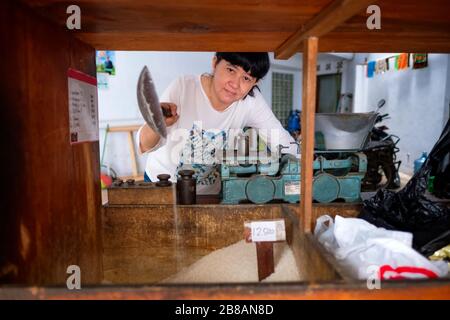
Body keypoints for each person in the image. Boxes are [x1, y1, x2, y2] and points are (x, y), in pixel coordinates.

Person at [137, 52, 297, 195]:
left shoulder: (251, 103)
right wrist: (157, 122)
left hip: (206, 194)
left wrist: (309, 165)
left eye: (246, 78)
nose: (235, 84)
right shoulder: (184, 87)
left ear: (254, 83)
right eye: (231, 70)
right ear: (215, 63)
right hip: (163, 185)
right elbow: (144, 145)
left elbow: (284, 143)